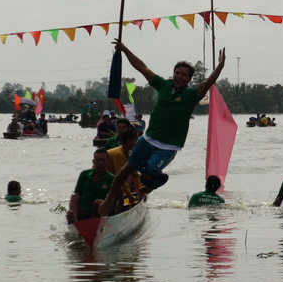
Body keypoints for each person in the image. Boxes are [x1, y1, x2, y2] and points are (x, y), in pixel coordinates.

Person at [99, 39, 226, 216]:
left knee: (151, 171)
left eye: (183, 75)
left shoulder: (191, 95)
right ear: (173, 73)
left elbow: (209, 82)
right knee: (127, 168)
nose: (179, 76)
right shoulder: (163, 85)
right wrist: (124, 49)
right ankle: (109, 199)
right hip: (147, 139)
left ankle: (154, 182)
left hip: (167, 147)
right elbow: (141, 67)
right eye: (177, 73)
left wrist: (220, 66)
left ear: (189, 79)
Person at [66, 149, 114, 223]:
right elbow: (77, 194)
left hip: (100, 211)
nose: (100, 163)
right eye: (97, 160)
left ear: (108, 161)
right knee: (74, 196)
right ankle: (75, 221)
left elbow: (115, 199)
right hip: (84, 211)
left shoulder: (111, 178)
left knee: (98, 203)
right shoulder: (84, 174)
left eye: (103, 160)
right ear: (93, 162)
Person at [102, 129, 142, 213]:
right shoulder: (118, 154)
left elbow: (134, 173)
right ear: (128, 141)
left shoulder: (129, 153)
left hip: (112, 178)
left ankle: (117, 212)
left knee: (120, 196)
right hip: (104, 177)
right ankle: (113, 213)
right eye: (135, 140)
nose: (137, 142)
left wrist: (139, 191)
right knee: (118, 195)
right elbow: (120, 177)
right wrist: (129, 195)